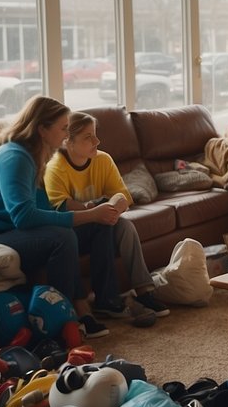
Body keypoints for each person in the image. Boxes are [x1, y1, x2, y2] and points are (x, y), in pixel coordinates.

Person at [0, 96, 119, 338]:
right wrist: (88, 214)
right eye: (63, 128)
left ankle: (99, 303)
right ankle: (62, 317)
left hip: (9, 231)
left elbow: (45, 211)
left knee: (98, 226)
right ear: (42, 129)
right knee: (63, 237)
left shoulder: (38, 157)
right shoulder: (15, 157)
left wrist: (91, 214)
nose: (67, 135)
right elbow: (24, 217)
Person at [43, 111, 166, 327]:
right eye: (88, 137)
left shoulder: (103, 159)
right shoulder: (56, 167)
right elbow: (59, 207)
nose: (97, 141)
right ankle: (106, 299)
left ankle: (144, 290)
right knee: (104, 221)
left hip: (101, 221)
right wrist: (93, 209)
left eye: (96, 134)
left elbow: (123, 196)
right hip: (73, 229)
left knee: (125, 226)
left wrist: (112, 207)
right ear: (68, 142)